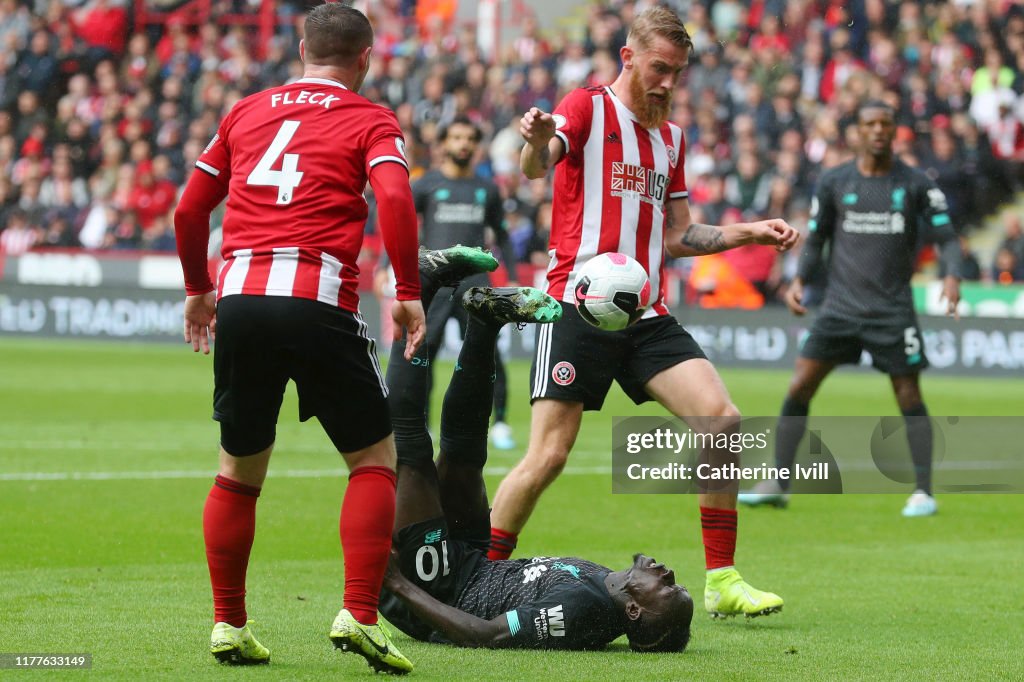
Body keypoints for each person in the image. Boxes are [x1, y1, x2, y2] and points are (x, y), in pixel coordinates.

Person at [487, 6, 797, 619]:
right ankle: (484, 575)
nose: (668, 83)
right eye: (660, 68)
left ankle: (723, 580)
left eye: (677, 73)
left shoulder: (671, 137)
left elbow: (680, 235)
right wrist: (533, 139)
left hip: (645, 311)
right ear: (629, 57)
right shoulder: (586, 107)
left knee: (722, 421)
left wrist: (750, 233)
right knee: (548, 455)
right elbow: (537, 165)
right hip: (575, 304)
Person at [173, 4, 426, 673]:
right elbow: (396, 201)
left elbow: (190, 207)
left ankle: (228, 624)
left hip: (242, 302)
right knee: (373, 458)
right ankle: (359, 615)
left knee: (238, 469)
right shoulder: (370, 118)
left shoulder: (245, 111)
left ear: (300, 46)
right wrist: (406, 293)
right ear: (366, 58)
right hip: (316, 299)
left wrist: (199, 288)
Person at [379, 281, 695, 652]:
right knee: (465, 452)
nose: (670, 573)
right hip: (472, 559)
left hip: (437, 590)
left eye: (669, 588)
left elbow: (486, 634)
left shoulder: (583, 613)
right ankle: (483, 323)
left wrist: (397, 583)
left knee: (413, 456)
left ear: (634, 609)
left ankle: (420, 287)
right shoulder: (608, 585)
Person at [738, 100, 962, 517]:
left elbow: (947, 237)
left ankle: (923, 491)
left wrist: (951, 276)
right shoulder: (835, 181)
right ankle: (779, 482)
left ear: (894, 131)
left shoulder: (915, 183)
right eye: (869, 124)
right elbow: (818, 237)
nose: (877, 130)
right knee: (800, 385)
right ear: (857, 132)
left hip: (891, 310)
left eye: (885, 124)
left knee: (908, 393)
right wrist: (800, 279)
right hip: (840, 308)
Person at [382, 115, 521, 453]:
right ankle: (424, 424)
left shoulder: (486, 189)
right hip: (435, 286)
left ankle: (499, 424)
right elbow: (401, 225)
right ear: (443, 143)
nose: (463, 144)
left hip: (476, 285)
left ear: (476, 145)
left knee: (489, 355)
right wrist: (386, 266)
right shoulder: (425, 184)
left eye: (469, 138)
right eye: (456, 137)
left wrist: (513, 277)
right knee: (422, 354)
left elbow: (501, 234)